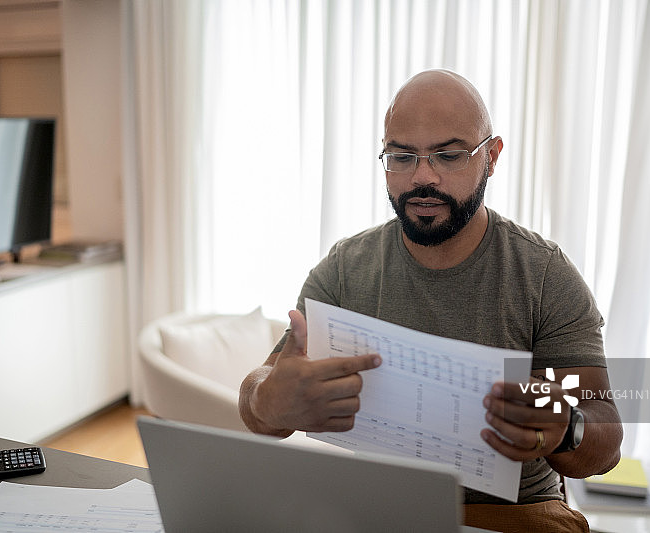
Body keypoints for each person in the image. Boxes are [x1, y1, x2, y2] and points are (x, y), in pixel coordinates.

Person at [239, 69, 622, 532]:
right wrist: (268, 399)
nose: (423, 177)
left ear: (491, 157)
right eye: (401, 156)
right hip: (380, 511)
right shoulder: (346, 268)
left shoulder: (543, 275)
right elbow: (262, 392)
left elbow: (606, 444)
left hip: (511, 515)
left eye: (449, 154)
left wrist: (567, 426)